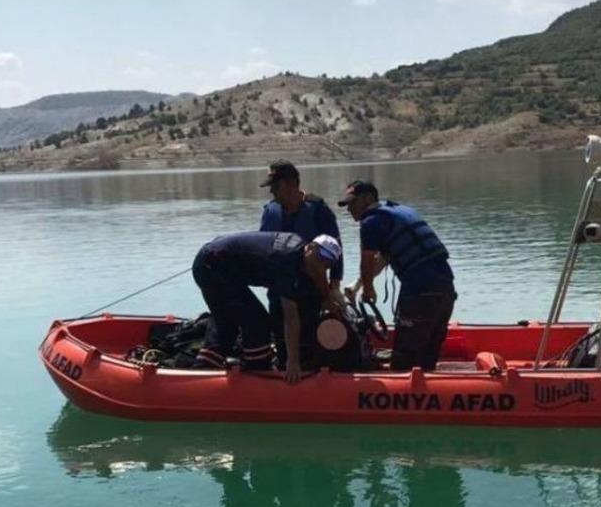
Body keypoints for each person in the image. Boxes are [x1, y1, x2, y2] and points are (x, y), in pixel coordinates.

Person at [191, 231, 341, 383]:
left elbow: (319, 272)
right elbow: (290, 317)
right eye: (321, 257)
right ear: (310, 247)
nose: (323, 265)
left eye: (328, 263)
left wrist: (327, 299)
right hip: (211, 267)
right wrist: (293, 361)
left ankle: (204, 367)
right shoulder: (286, 262)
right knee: (258, 323)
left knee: (227, 322)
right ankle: (256, 371)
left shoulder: (309, 259)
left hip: (222, 266)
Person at [338, 180, 456, 371]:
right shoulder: (399, 212)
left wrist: (368, 289)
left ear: (367, 199)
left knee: (404, 361)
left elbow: (367, 260)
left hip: (419, 292)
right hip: (446, 288)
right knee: (427, 357)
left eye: (352, 203)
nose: (349, 209)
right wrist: (358, 285)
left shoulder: (370, 221)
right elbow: (385, 257)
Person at [259, 160, 343, 367]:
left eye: (275, 187)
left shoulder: (317, 209)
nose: (272, 193)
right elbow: (263, 248)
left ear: (290, 185)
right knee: (282, 341)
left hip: (310, 291)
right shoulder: (270, 211)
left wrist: (334, 287)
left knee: (307, 343)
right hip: (278, 290)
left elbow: (335, 249)